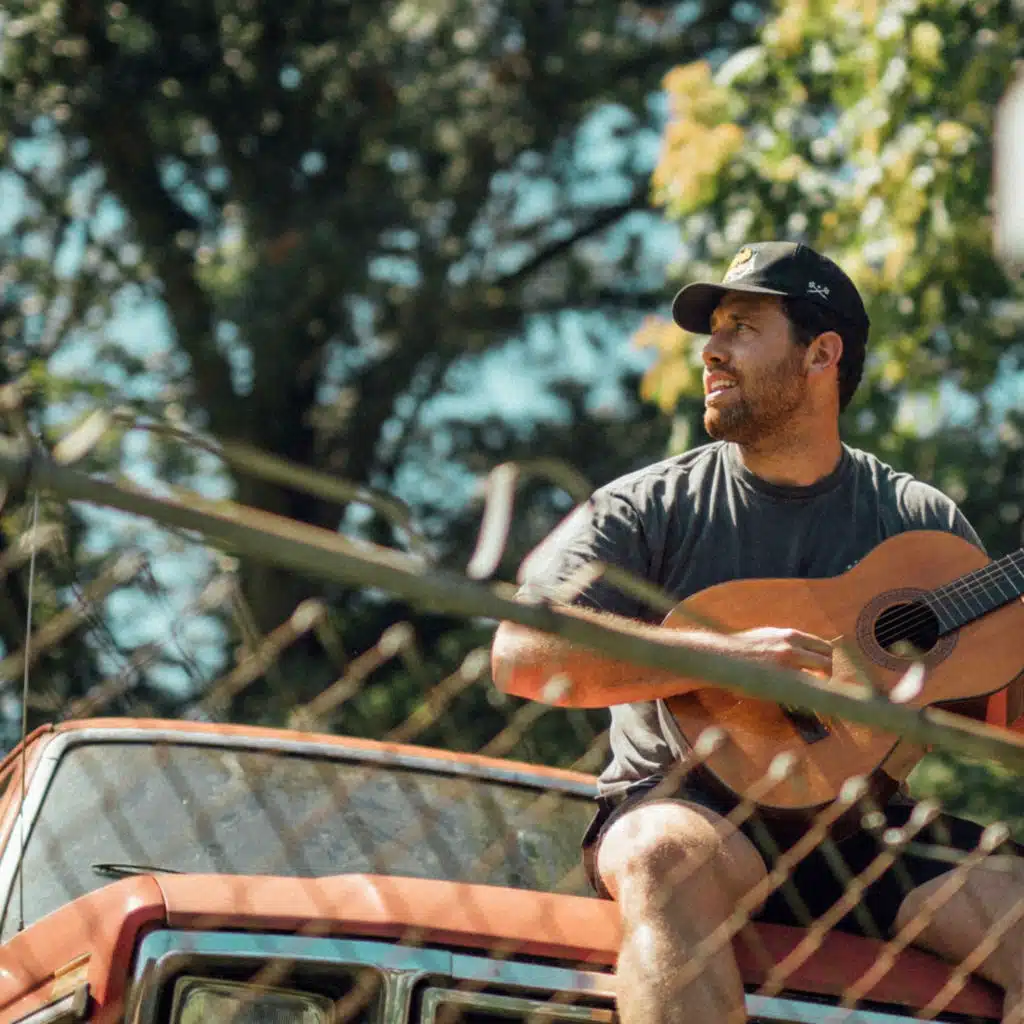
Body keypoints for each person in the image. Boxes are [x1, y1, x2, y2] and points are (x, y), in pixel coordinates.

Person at [490, 242, 1024, 1023]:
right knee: (662, 860)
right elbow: (520, 655)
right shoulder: (645, 505)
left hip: (867, 829)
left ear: (822, 354)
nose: (711, 350)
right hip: (693, 804)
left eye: (740, 327)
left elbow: (1003, 712)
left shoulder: (921, 523)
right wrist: (728, 659)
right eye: (713, 331)